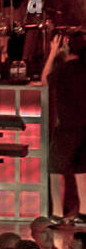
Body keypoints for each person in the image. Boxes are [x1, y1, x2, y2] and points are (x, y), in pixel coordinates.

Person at [42, 31, 86, 216]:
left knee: (55, 168)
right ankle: (83, 212)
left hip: (67, 128)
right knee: (82, 169)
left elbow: (45, 80)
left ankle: (58, 213)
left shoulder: (65, 69)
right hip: (84, 127)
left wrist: (52, 52)